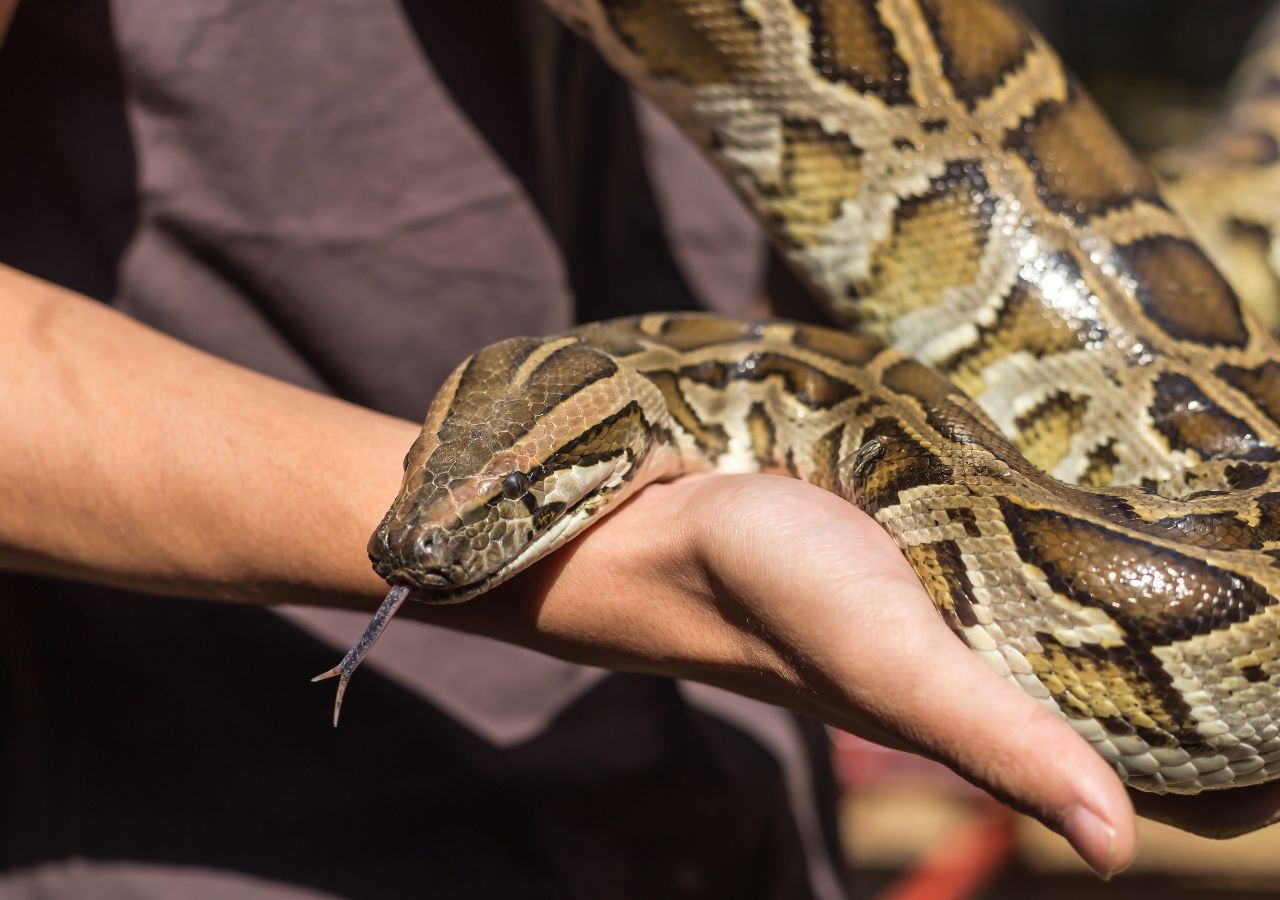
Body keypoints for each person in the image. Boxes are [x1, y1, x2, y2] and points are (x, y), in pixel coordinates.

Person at [2, 2, 1276, 896]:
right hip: (226, 820)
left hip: (732, 822)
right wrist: (643, 580)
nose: (425, 533)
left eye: (501, 488)